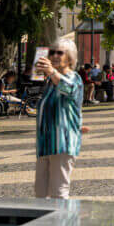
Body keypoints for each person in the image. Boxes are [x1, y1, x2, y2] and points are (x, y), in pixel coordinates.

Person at [34, 39, 87, 199]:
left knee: (59, 191)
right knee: (40, 192)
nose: (55, 56)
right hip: (45, 144)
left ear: (70, 58)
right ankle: (44, 223)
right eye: (52, 52)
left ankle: (63, 223)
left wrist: (51, 72)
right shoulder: (50, 83)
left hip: (62, 142)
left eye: (60, 52)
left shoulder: (74, 78)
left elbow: (69, 89)